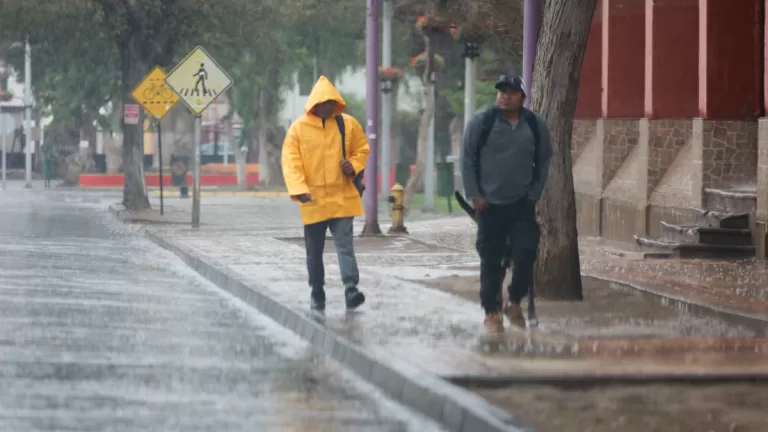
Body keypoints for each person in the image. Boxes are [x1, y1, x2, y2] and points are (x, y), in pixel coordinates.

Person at [460, 75, 552, 332]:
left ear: (522, 97)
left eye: (512, 92)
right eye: (501, 91)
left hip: (522, 204)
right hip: (488, 205)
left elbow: (544, 160)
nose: (505, 96)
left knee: (526, 254)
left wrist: (535, 192)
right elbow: (467, 159)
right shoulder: (482, 122)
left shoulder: (534, 124)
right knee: (491, 260)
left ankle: (514, 301)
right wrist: (474, 195)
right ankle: (491, 311)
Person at [281, 76, 370, 312]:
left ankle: (351, 289)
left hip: (342, 198)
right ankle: (317, 292)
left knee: (345, 246)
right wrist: (299, 190)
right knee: (314, 252)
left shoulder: (348, 124)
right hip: (313, 201)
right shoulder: (298, 129)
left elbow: (361, 150)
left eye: (332, 102)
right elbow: (291, 162)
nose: (328, 106)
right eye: (324, 102)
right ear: (314, 104)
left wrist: (354, 164)